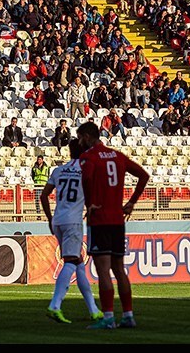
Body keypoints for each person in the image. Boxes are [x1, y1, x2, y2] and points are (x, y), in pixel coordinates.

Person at [77, 121, 149, 329]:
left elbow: (87, 179)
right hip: (117, 219)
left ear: (88, 137)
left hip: (99, 220)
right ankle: (128, 315)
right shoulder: (117, 156)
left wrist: (90, 203)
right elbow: (144, 175)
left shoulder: (88, 157)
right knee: (119, 269)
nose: (80, 142)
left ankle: (108, 318)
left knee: (103, 270)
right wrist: (132, 202)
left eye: (81, 137)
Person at [40, 138, 103, 324]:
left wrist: (50, 218)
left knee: (79, 264)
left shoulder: (58, 170)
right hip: (73, 222)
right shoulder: (85, 171)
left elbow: (44, 195)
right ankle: (55, 305)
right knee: (71, 262)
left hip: (58, 220)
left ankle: (93, 310)